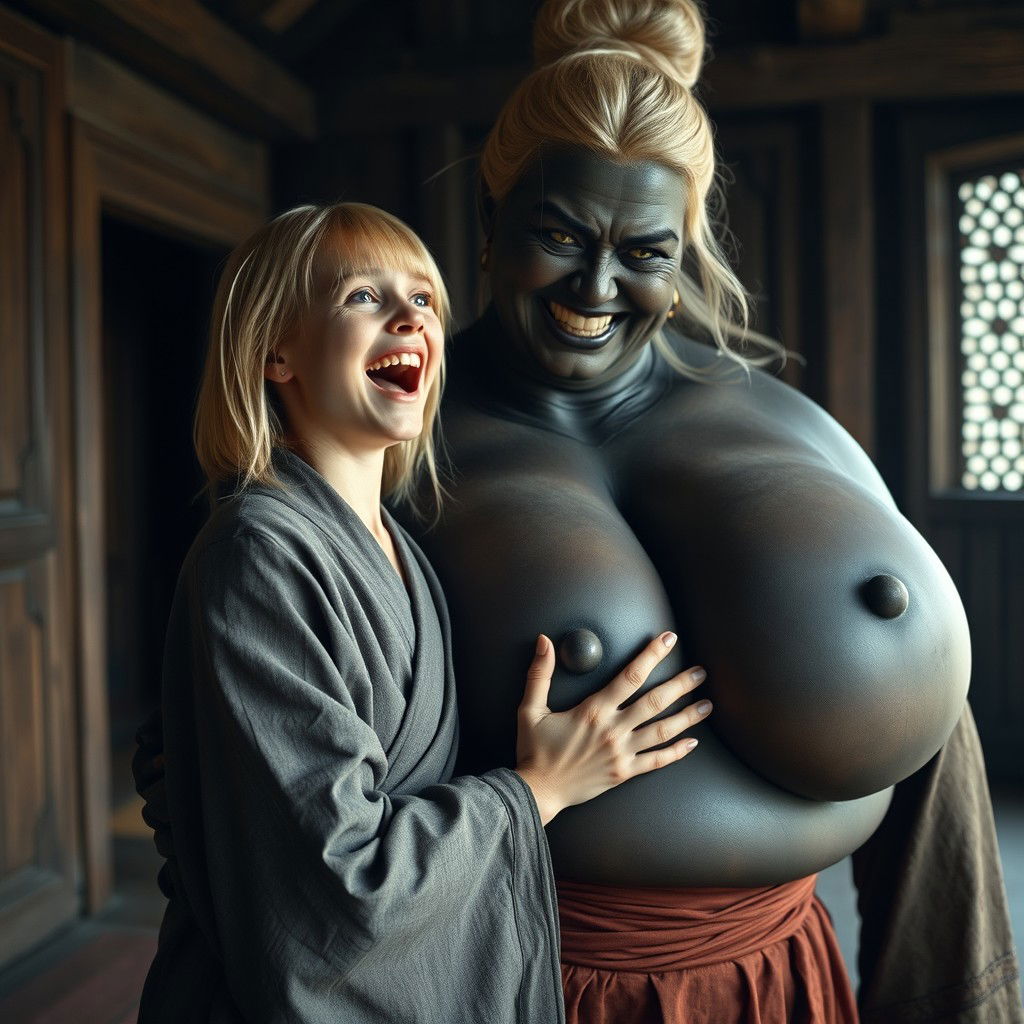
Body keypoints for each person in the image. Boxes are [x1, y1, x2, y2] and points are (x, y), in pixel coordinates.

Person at [397, 1, 1023, 1021]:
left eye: (643, 252)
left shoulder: (783, 419)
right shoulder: (397, 446)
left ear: (684, 248)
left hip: (785, 976)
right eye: (556, 233)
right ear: (488, 212)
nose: (595, 285)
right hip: (536, 986)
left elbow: (934, 738)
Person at [134, 200, 715, 1023]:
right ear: (276, 351)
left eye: (424, 299)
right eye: (363, 297)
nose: (410, 316)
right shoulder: (258, 551)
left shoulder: (404, 547)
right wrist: (540, 789)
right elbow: (339, 877)